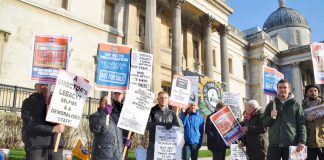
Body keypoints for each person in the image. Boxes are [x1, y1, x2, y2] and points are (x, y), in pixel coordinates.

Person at [262, 79, 306, 160]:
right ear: (277, 89)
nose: (282, 89)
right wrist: (271, 118)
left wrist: (302, 141)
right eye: (280, 87)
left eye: (285, 87)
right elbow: (263, 123)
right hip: (274, 145)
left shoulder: (295, 104)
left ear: (289, 89)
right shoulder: (271, 105)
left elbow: (301, 124)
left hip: (291, 144)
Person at [21, 83, 65, 160]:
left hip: (55, 144)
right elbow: (30, 124)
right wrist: (53, 129)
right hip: (37, 145)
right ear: (35, 86)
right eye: (42, 84)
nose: (45, 87)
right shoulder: (29, 102)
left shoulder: (57, 101)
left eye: (47, 85)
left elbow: (63, 118)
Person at [146, 91, 179, 160]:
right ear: (157, 99)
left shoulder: (172, 113)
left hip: (167, 145)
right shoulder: (151, 111)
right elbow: (147, 125)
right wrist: (162, 124)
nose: (163, 99)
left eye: (165, 98)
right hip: (154, 143)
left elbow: (177, 129)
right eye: (161, 98)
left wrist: (172, 125)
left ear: (168, 100)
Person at [89, 95, 123, 160]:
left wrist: (124, 140)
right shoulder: (95, 116)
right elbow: (95, 128)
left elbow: (115, 135)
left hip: (116, 156)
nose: (107, 103)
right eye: (105, 101)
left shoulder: (115, 118)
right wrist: (104, 113)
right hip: (102, 156)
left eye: (109, 102)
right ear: (99, 103)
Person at [302, 84, 324, 160]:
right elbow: (299, 123)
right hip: (309, 142)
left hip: (322, 140)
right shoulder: (302, 106)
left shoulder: (323, 105)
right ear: (306, 93)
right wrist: (306, 118)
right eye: (310, 91)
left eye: (315, 91)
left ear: (318, 92)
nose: (313, 92)